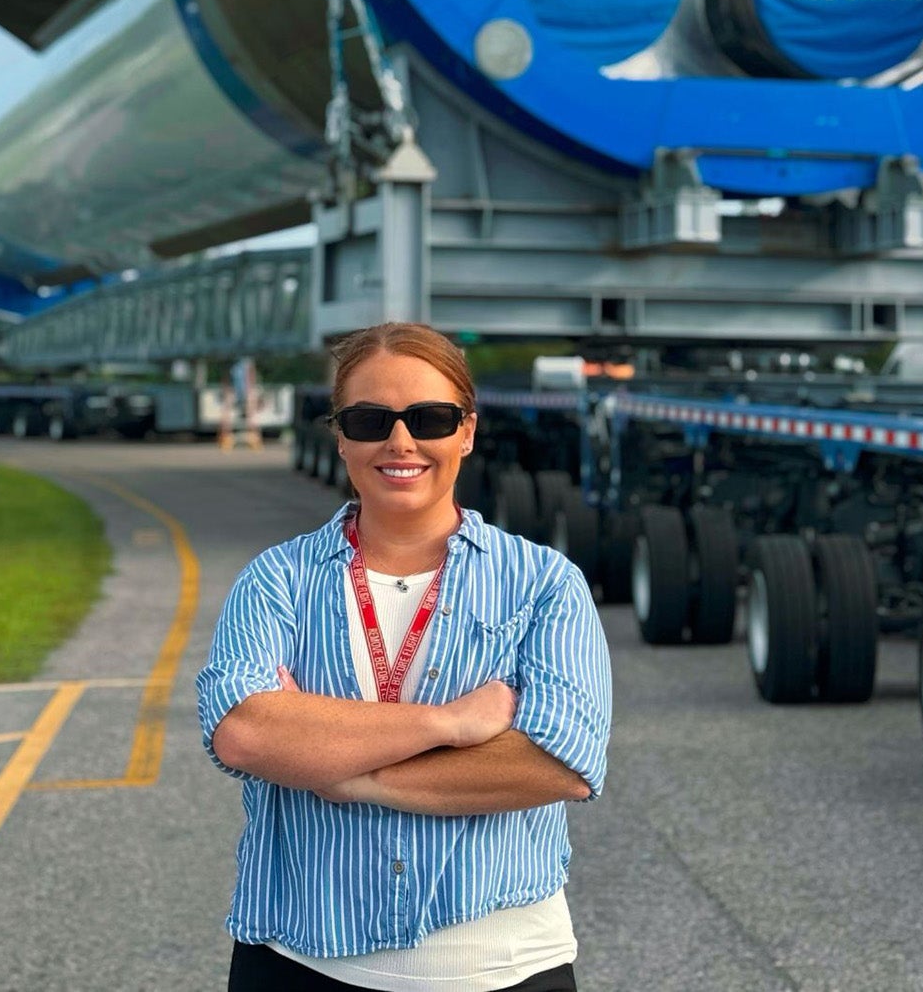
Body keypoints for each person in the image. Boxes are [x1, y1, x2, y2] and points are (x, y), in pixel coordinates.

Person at [197, 321, 613, 992]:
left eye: (430, 417)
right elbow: (245, 732)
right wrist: (447, 724)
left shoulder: (544, 583)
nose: (400, 441)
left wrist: (346, 772)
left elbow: (557, 763)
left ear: (468, 431)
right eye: (369, 419)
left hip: (502, 970)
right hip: (301, 963)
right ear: (339, 433)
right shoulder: (277, 579)